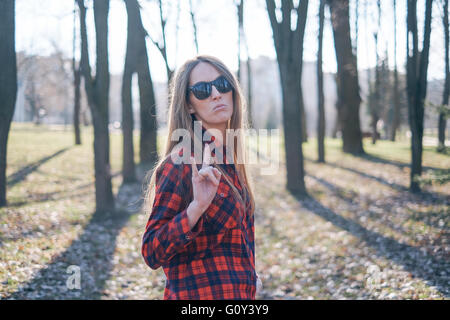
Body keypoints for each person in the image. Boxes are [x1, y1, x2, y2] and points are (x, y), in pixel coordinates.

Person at [141, 55, 261, 299]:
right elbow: (151, 251)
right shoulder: (183, 162)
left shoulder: (229, 159)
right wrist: (195, 209)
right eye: (203, 90)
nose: (216, 94)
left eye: (223, 84)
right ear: (189, 105)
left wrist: (250, 277)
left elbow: (236, 239)